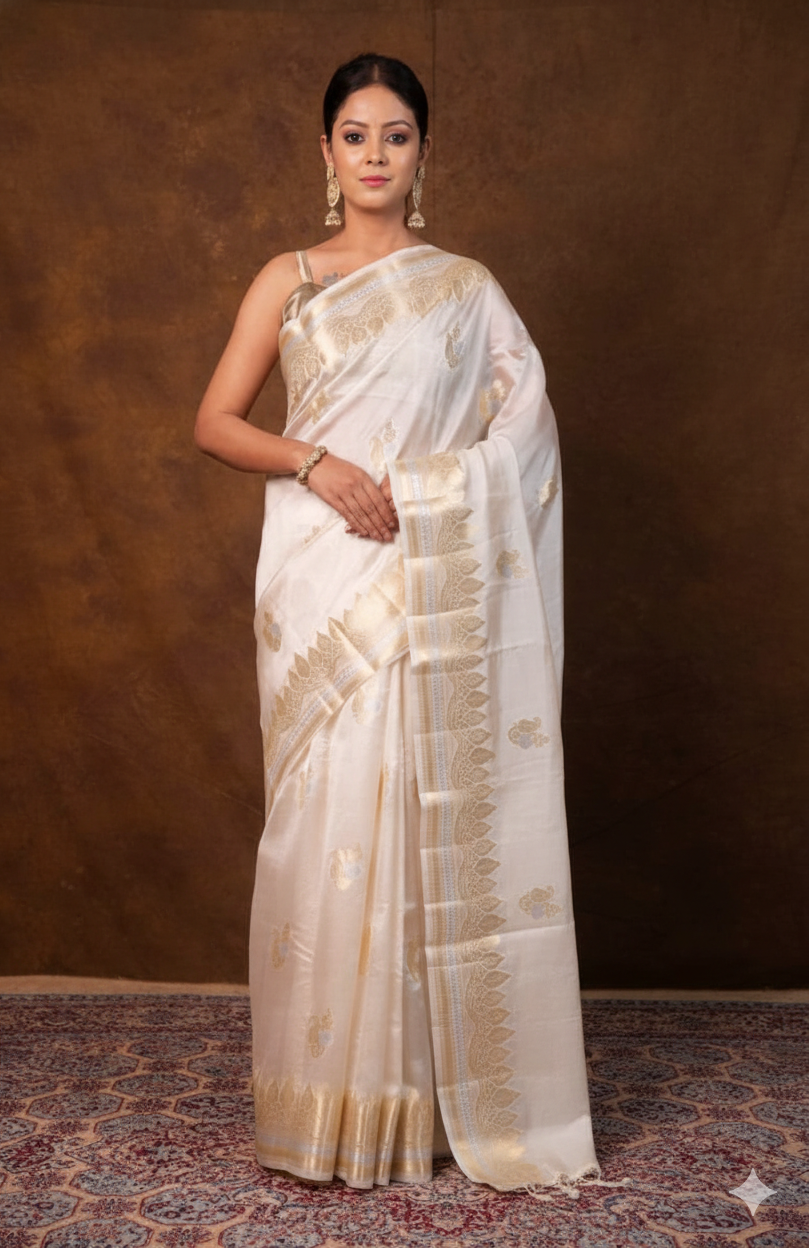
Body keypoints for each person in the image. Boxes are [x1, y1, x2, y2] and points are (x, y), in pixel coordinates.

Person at [195, 52, 601, 1194]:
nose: (376, 155)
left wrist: (432, 500)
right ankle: (325, 1102)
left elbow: (524, 429)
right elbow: (217, 423)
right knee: (323, 816)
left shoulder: (465, 288)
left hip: (427, 565)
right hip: (323, 576)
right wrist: (315, 462)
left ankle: (418, 1099)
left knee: (422, 802)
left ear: (424, 152)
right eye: (356, 135)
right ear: (325, 153)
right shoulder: (289, 280)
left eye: (397, 136)